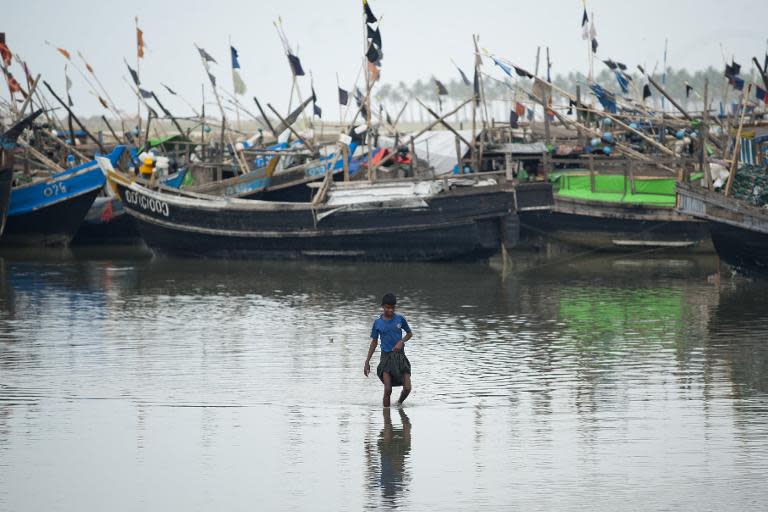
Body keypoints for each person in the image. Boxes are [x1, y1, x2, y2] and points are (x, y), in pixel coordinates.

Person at [364, 293, 413, 407]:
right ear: (382, 306)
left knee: (407, 388)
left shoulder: (400, 319)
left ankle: (399, 403)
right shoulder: (378, 323)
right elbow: (374, 342)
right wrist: (367, 362)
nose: (389, 310)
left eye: (392, 308)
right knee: (388, 389)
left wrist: (402, 341)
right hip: (386, 357)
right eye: (387, 307)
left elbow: (409, 334)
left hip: (400, 357)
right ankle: (386, 420)